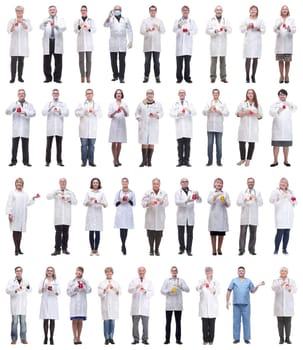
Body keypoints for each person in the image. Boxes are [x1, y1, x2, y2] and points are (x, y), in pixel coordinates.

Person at [226, 266, 265, 344]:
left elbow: (253, 291)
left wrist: (258, 285)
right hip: (236, 304)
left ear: (244, 272)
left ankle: (246, 338)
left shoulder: (248, 281)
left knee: (246, 321)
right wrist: (227, 301)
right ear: (237, 272)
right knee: (236, 321)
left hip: (246, 305)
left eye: (242, 271)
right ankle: (236, 338)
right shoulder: (234, 281)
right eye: (239, 271)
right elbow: (229, 290)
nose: (241, 272)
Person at [6, 177, 39, 255]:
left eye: (20, 183)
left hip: (22, 215)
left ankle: (19, 248)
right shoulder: (12, 192)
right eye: (17, 183)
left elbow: (27, 203)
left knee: (20, 231)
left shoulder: (25, 193)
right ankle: (16, 249)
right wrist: (9, 213)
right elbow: (9, 203)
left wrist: (33, 198)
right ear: (15, 184)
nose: (19, 184)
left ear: (22, 185)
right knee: (15, 231)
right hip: (14, 214)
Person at [46, 178, 77, 256]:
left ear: (66, 183)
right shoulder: (56, 191)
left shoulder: (70, 192)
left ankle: (64, 249)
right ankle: (57, 250)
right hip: (58, 217)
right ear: (59, 183)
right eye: (61, 182)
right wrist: (55, 193)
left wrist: (68, 198)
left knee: (66, 234)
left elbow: (75, 202)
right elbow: (48, 197)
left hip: (66, 217)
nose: (62, 183)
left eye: (64, 182)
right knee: (58, 234)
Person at [6, 89, 36, 167]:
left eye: (23, 93)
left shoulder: (29, 105)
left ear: (25, 95)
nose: (21, 95)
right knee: (14, 146)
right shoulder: (14, 103)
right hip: (16, 129)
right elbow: (7, 112)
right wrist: (13, 109)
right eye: (20, 94)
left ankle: (26, 162)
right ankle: (13, 161)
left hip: (25, 129)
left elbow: (33, 113)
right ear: (18, 95)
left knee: (25, 147)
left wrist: (25, 112)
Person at [161, 266, 190, 345]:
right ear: (171, 271)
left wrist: (180, 286)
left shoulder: (181, 280)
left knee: (178, 323)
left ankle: (178, 339)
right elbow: (162, 291)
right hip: (169, 305)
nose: (174, 272)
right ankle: (167, 339)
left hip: (178, 305)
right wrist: (169, 290)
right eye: (172, 271)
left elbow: (188, 290)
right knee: (168, 322)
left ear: (177, 272)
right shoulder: (167, 281)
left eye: (175, 271)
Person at [104, 5, 133, 83]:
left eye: (118, 9)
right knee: (113, 61)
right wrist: (108, 17)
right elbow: (105, 25)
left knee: (122, 61)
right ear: (113, 10)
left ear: (121, 10)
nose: (117, 10)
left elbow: (130, 30)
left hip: (123, 42)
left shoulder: (126, 19)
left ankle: (121, 77)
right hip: (113, 43)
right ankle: (115, 76)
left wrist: (131, 41)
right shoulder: (111, 19)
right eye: (116, 9)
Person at [135, 89, 163, 167]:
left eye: (151, 93)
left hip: (153, 125)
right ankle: (144, 161)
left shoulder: (157, 104)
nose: (150, 95)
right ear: (146, 95)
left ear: (153, 95)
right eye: (148, 93)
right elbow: (137, 112)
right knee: (144, 142)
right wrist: (138, 118)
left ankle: (149, 161)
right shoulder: (141, 104)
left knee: (151, 142)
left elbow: (161, 112)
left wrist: (156, 115)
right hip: (144, 125)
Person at [269, 89, 297, 167]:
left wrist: (288, 103)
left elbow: (295, 108)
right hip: (277, 128)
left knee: (286, 146)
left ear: (286, 96)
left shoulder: (289, 104)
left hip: (286, 128)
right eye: (280, 94)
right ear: (278, 96)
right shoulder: (275, 104)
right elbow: (270, 113)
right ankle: (275, 161)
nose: (282, 96)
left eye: (284, 95)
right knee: (276, 146)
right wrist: (278, 110)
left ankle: (286, 160)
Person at [42, 88, 69, 167]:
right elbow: (43, 113)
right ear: (52, 94)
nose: (55, 94)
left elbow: (67, 113)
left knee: (59, 146)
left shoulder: (62, 104)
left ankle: (59, 161)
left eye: (57, 93)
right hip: (50, 128)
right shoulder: (48, 103)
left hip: (59, 128)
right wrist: (50, 108)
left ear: (59, 94)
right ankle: (47, 161)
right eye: (54, 93)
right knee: (48, 146)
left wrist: (59, 110)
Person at [75, 88, 102, 167]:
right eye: (87, 93)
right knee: (83, 146)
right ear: (85, 95)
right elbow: (76, 113)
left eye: (90, 93)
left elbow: (100, 115)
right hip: (83, 129)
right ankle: (83, 162)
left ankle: (91, 162)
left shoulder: (96, 104)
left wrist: (94, 111)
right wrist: (84, 111)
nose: (89, 95)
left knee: (92, 147)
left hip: (93, 129)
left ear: (93, 94)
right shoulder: (81, 104)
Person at [175, 177, 201, 256]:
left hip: (190, 216)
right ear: (181, 183)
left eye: (186, 181)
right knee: (181, 234)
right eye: (183, 182)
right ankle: (182, 249)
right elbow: (177, 202)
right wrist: (186, 201)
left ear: (188, 183)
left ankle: (189, 250)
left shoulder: (192, 192)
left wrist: (198, 196)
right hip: (181, 215)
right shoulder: (178, 192)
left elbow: (199, 201)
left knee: (190, 234)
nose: (184, 183)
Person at [236, 178, 263, 256]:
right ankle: (241, 250)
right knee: (242, 234)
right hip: (244, 217)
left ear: (254, 183)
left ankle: (251, 250)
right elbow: (238, 203)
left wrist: (256, 198)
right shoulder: (242, 193)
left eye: (252, 182)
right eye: (249, 182)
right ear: (247, 183)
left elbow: (261, 204)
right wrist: (244, 200)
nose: (250, 183)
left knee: (253, 235)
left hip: (254, 217)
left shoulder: (257, 193)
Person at [236, 89, 263, 166]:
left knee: (251, 143)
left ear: (254, 95)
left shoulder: (257, 105)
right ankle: (242, 159)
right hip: (243, 127)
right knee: (242, 143)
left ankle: (248, 160)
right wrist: (245, 112)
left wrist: (254, 114)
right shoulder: (242, 104)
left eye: (252, 93)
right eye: (249, 93)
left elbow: (260, 116)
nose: (250, 94)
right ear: (247, 94)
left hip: (253, 127)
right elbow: (237, 114)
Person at [269, 177, 297, 254]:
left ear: (287, 184)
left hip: (289, 216)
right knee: (279, 232)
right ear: (279, 183)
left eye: (284, 182)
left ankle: (284, 249)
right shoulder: (276, 191)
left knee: (287, 233)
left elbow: (295, 201)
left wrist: (291, 199)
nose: (283, 183)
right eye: (281, 182)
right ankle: (276, 249)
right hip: (280, 216)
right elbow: (271, 200)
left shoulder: (291, 192)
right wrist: (279, 197)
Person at [170, 89, 196, 167]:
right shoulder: (175, 104)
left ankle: (187, 161)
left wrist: (188, 109)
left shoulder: (189, 103)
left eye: (183, 93)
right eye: (180, 93)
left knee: (187, 146)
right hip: (179, 128)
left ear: (185, 94)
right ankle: (180, 161)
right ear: (178, 94)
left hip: (188, 128)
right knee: (180, 146)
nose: (181, 94)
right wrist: (178, 113)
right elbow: (171, 113)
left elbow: (195, 113)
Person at [203, 88, 229, 166]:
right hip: (210, 127)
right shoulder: (209, 103)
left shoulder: (222, 103)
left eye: (217, 93)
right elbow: (204, 112)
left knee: (219, 145)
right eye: (214, 93)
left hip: (219, 127)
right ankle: (210, 161)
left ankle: (219, 161)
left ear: (219, 94)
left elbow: (227, 113)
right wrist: (209, 109)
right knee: (210, 145)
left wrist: (219, 111)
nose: (215, 95)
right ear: (212, 94)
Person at [142, 178, 168, 256]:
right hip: (150, 217)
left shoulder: (164, 193)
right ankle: (151, 249)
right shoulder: (147, 193)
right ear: (152, 184)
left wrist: (161, 201)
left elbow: (167, 204)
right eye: (154, 183)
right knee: (150, 235)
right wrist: (149, 203)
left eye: (157, 184)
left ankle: (157, 249)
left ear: (159, 184)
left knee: (159, 235)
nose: (156, 185)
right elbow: (143, 204)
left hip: (160, 217)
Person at [6, 266, 32, 345]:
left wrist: (28, 287)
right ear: (15, 272)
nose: (18, 272)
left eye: (20, 271)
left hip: (23, 305)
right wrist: (15, 290)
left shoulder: (26, 281)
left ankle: (23, 338)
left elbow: (30, 290)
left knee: (23, 322)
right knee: (14, 322)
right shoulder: (11, 281)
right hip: (15, 305)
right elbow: (7, 290)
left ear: (22, 272)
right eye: (17, 271)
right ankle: (14, 339)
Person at [40, 5, 66, 83]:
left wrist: (56, 26)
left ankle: (57, 78)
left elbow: (64, 28)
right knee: (47, 61)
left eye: (53, 9)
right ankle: (48, 78)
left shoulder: (61, 19)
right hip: (48, 41)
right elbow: (41, 27)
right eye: (50, 10)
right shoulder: (45, 19)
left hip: (57, 41)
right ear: (49, 11)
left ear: (56, 11)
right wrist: (44, 23)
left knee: (58, 61)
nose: (52, 11)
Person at [128, 267, 154, 345]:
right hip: (135, 307)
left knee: (145, 325)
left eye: (142, 271)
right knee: (135, 325)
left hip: (145, 307)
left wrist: (145, 291)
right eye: (140, 271)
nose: (141, 272)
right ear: (138, 272)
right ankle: (136, 339)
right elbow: (129, 290)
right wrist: (136, 288)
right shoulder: (134, 281)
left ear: (145, 271)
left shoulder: (149, 282)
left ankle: (145, 339)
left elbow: (152, 293)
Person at [206, 5, 231, 83]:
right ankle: (213, 77)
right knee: (213, 61)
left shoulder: (225, 20)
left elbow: (230, 30)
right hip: (214, 43)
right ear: (215, 11)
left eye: (220, 10)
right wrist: (214, 31)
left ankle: (223, 77)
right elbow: (207, 31)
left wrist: (226, 29)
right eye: (217, 10)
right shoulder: (211, 20)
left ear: (222, 11)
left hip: (223, 43)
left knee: (223, 62)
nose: (219, 11)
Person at [240, 5, 265, 83]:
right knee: (248, 59)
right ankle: (247, 76)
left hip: (257, 42)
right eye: (252, 10)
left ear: (257, 11)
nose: (253, 11)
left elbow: (264, 30)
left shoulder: (260, 20)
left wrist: (258, 28)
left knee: (255, 59)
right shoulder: (245, 20)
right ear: (249, 11)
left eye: (255, 10)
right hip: (248, 42)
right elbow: (241, 29)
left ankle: (253, 75)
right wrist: (247, 26)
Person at [140, 5, 165, 83]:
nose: (153, 12)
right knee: (147, 62)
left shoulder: (159, 21)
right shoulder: (145, 21)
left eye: (154, 10)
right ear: (149, 11)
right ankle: (146, 77)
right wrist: (147, 30)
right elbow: (141, 31)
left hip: (156, 46)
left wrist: (158, 28)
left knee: (156, 62)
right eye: (151, 10)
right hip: (147, 45)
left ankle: (157, 77)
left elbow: (163, 31)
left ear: (156, 11)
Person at [67, 267, 92, 345]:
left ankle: (79, 337)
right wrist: (75, 287)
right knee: (74, 321)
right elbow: (68, 293)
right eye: (77, 271)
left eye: (80, 271)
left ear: (82, 273)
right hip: (74, 304)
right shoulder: (71, 282)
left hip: (82, 304)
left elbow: (89, 290)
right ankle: (74, 337)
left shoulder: (85, 281)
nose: (78, 272)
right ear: (75, 272)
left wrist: (84, 285)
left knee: (80, 321)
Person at [272, 267, 297, 344]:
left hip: (288, 306)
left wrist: (289, 287)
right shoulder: (276, 281)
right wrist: (280, 284)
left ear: (287, 272)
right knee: (280, 323)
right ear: (280, 272)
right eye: (282, 271)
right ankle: (281, 339)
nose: (283, 272)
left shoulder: (291, 281)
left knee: (288, 324)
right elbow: (273, 288)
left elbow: (294, 290)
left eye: (285, 271)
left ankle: (288, 338)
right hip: (279, 306)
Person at [7, 6, 32, 83]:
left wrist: (22, 22)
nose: (19, 12)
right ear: (15, 12)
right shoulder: (12, 20)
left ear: (23, 12)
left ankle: (20, 77)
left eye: (21, 11)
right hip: (15, 45)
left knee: (21, 61)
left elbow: (29, 29)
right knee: (13, 61)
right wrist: (13, 26)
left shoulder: (27, 20)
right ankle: (12, 78)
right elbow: (9, 30)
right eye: (18, 11)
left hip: (23, 45)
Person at [173, 5, 198, 83]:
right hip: (179, 46)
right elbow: (173, 30)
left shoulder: (192, 21)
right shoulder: (177, 20)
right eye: (184, 10)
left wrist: (188, 32)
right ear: (182, 11)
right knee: (179, 64)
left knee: (187, 64)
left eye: (186, 10)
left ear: (188, 12)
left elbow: (196, 31)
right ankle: (179, 78)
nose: (185, 11)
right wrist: (179, 25)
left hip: (188, 46)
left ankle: (187, 78)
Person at [83, 178, 108, 256]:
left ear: (99, 184)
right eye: (94, 183)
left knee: (97, 233)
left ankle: (96, 250)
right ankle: (91, 249)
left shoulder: (102, 193)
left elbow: (106, 205)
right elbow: (84, 203)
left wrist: (100, 202)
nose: (95, 184)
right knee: (91, 232)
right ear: (92, 184)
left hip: (98, 215)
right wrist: (89, 200)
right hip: (90, 214)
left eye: (97, 183)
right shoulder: (88, 193)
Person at [196, 267, 220, 345]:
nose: (208, 272)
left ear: (212, 272)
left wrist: (209, 287)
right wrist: (201, 285)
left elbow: (217, 292)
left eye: (209, 271)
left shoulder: (216, 282)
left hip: (213, 307)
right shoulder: (201, 281)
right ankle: (205, 340)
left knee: (212, 326)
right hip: (204, 306)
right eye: (207, 271)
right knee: (205, 326)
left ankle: (211, 340)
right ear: (205, 272)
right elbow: (197, 289)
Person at [98, 267, 121, 345]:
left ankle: (111, 337)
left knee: (112, 323)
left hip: (114, 306)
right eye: (107, 272)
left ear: (112, 273)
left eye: (110, 272)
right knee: (106, 322)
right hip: (106, 305)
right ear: (105, 273)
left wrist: (114, 289)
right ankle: (106, 338)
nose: (109, 273)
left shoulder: (116, 283)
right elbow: (99, 294)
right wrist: (105, 289)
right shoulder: (102, 283)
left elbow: (119, 293)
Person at [207, 178, 230, 255]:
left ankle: (219, 248)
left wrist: (225, 201)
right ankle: (213, 249)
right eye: (217, 182)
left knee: (221, 233)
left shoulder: (225, 193)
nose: (219, 184)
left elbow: (228, 204)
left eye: (220, 183)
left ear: (222, 185)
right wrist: (215, 196)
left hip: (222, 215)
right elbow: (209, 201)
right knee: (213, 233)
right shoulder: (211, 192)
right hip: (214, 214)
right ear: (214, 184)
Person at [274, 6, 296, 83]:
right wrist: (279, 25)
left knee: (287, 61)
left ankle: (286, 76)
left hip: (288, 43)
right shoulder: (278, 19)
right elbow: (274, 29)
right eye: (283, 9)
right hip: (279, 43)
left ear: (288, 11)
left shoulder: (291, 20)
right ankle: (281, 76)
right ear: (281, 10)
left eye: (286, 9)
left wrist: (289, 28)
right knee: (280, 61)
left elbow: (294, 30)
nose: (284, 10)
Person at [74, 5, 96, 83]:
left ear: (87, 11)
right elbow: (75, 31)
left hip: (89, 44)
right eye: (82, 10)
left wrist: (88, 28)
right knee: (81, 61)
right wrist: (79, 27)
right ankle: (82, 76)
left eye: (84, 10)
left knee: (89, 61)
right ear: (80, 11)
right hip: (81, 43)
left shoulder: (91, 20)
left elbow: (94, 30)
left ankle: (88, 76)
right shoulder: (77, 20)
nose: (83, 11)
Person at [114, 177, 136, 255]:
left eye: (126, 182)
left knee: (125, 229)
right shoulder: (118, 192)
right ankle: (123, 245)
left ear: (128, 183)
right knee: (121, 229)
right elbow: (115, 203)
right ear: (121, 183)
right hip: (120, 212)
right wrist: (120, 201)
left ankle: (123, 244)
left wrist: (128, 200)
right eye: (123, 182)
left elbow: (134, 203)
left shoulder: (131, 192)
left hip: (127, 212)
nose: (124, 183)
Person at [39, 266, 60, 345]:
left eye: (51, 271)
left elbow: (58, 292)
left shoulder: (56, 281)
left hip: (53, 302)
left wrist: (53, 290)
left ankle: (51, 337)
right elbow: (39, 291)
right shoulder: (43, 280)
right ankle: (45, 337)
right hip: (45, 302)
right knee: (45, 320)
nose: (49, 272)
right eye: (48, 271)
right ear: (46, 272)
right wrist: (44, 287)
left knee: (52, 320)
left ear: (53, 272)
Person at [108, 89, 129, 167]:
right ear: (115, 95)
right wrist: (115, 112)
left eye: (120, 93)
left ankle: (117, 159)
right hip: (114, 123)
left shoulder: (125, 104)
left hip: (122, 124)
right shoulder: (112, 104)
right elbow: (109, 115)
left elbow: (127, 115)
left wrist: (123, 109)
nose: (118, 94)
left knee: (120, 142)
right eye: (117, 93)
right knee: (114, 141)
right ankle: (114, 160)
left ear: (122, 95)